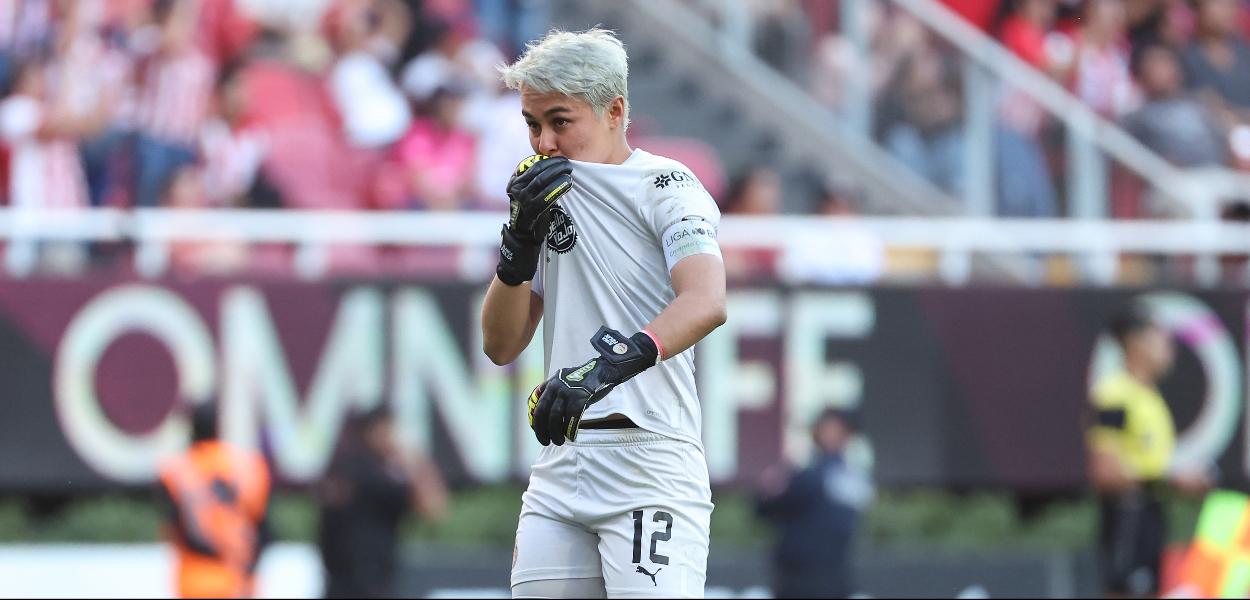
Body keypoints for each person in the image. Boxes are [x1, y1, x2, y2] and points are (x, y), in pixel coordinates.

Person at [480, 28, 728, 599]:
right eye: (532, 124)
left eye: (560, 122)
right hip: (560, 461)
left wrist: (602, 369)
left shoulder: (667, 184)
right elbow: (500, 344)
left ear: (614, 111)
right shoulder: (543, 197)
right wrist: (517, 246)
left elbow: (705, 300)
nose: (544, 142)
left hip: (650, 461)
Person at [1087, 304, 1212, 598]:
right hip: (1127, 519)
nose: (1170, 349)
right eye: (1162, 339)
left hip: (1153, 516)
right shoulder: (1114, 395)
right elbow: (1104, 471)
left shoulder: (1150, 396)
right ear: (1136, 343)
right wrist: (1170, 480)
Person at [316, 407, 448, 599]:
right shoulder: (373, 475)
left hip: (348, 584)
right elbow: (433, 508)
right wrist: (414, 459)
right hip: (366, 585)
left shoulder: (344, 468)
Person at [157, 402, 272, 599]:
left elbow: (173, 527)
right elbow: (264, 530)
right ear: (220, 425)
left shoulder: (178, 470)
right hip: (237, 582)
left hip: (194, 581)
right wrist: (248, 572)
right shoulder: (248, 468)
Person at [756, 408, 873, 599]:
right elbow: (764, 508)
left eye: (837, 430)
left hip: (831, 577)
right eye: (825, 429)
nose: (830, 435)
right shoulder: (801, 471)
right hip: (793, 578)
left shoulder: (850, 475)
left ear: (848, 436)